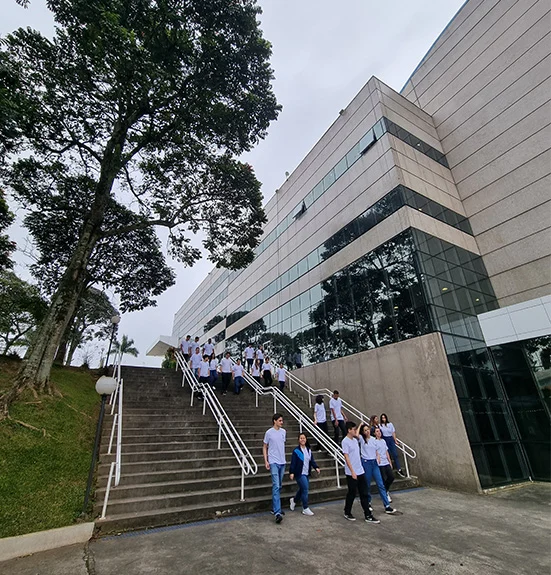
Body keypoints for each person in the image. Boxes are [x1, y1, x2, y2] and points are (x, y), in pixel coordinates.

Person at [341, 421, 379, 524]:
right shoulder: (345, 442)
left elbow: (357, 434)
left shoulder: (354, 440)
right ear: (349, 430)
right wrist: (352, 471)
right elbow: (346, 457)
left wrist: (361, 424)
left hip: (360, 470)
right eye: (353, 429)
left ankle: (368, 514)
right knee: (352, 493)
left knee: (364, 493)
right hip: (351, 472)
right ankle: (347, 511)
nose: (355, 431)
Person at [359, 423, 395, 514]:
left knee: (380, 484)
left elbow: (376, 450)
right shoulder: (361, 439)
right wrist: (360, 425)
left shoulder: (373, 439)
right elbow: (356, 434)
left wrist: (378, 456)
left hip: (374, 463)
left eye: (368, 430)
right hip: (366, 462)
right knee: (367, 484)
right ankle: (368, 502)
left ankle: (387, 505)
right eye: (365, 430)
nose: (367, 431)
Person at [289, 432, 320, 516]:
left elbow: (312, 461)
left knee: (302, 489)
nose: (302, 439)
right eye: (301, 438)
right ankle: (305, 508)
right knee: (305, 489)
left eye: (304, 438)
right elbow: (293, 463)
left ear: (306, 440)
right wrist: (291, 472)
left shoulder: (308, 450)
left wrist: (316, 467)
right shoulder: (296, 451)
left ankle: (294, 500)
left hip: (306, 473)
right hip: (299, 473)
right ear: (299, 440)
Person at [263, 413, 286, 524]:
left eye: (282, 421)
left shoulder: (283, 432)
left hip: (282, 462)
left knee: (279, 485)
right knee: (276, 485)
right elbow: (264, 446)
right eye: (280, 420)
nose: (282, 422)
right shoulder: (269, 433)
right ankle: (277, 512)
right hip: (273, 462)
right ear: (275, 421)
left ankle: (275, 507)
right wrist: (266, 460)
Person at [380, 413, 405, 477]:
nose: (383, 419)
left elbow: (393, 432)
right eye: (382, 418)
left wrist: (395, 440)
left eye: (384, 418)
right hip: (385, 439)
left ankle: (399, 469)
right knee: (388, 454)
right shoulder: (380, 425)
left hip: (390, 439)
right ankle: (389, 469)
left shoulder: (390, 424)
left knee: (395, 454)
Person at [374, 426, 395, 502]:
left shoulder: (383, 441)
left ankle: (385, 490)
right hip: (380, 463)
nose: (379, 433)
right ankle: (385, 494)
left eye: (379, 431)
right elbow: (375, 451)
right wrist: (377, 457)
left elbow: (386, 452)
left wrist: (390, 461)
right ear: (374, 433)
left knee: (391, 477)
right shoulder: (374, 441)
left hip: (386, 462)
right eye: (377, 431)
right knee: (383, 478)